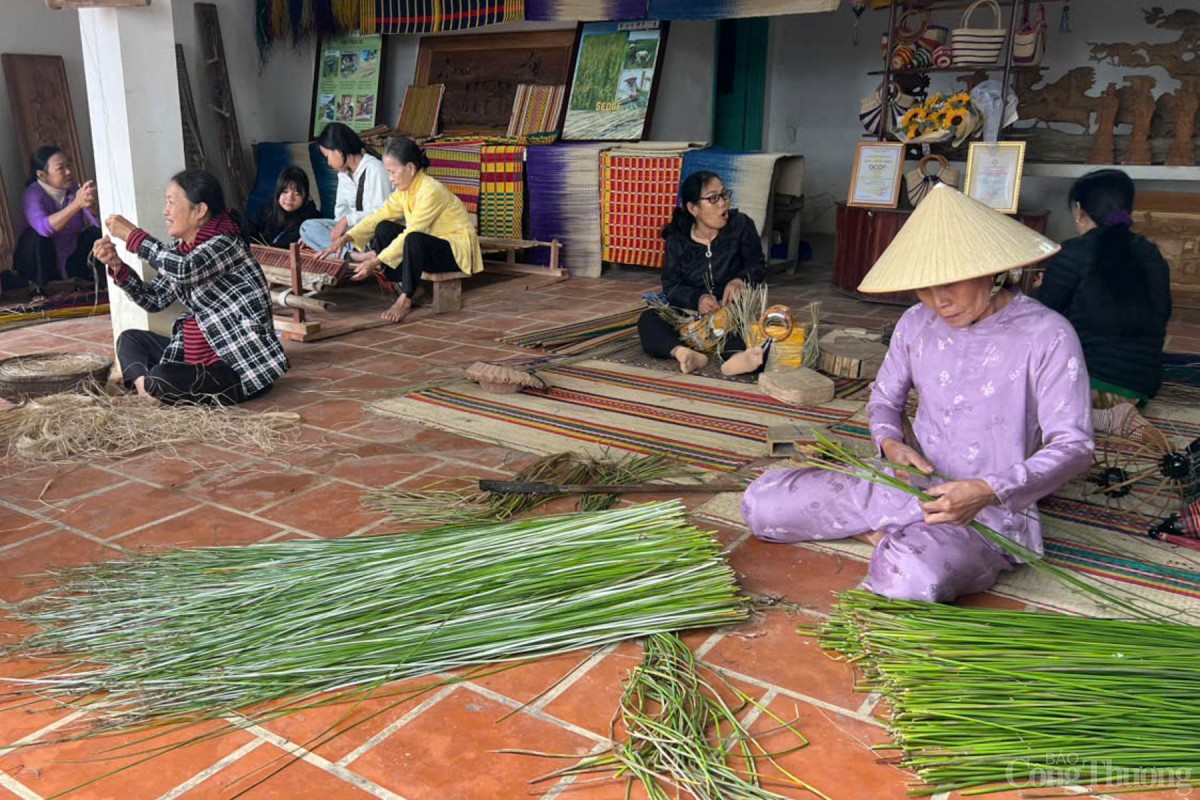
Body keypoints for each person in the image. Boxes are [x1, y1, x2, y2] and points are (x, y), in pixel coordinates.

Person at [742, 184, 1093, 604]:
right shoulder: (915, 323)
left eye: (951, 284)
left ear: (991, 268)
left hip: (986, 511)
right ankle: (888, 530)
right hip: (905, 485)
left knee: (909, 577)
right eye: (924, 288)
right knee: (763, 505)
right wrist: (889, 442)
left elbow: (1075, 445)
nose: (939, 301)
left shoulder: (1047, 335)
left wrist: (986, 489)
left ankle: (899, 541)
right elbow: (884, 400)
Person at [92, 170, 289, 405]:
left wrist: (133, 236)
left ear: (199, 210)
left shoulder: (227, 242)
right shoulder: (181, 247)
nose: (165, 211)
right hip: (193, 355)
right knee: (130, 340)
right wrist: (118, 266)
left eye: (171, 202)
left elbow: (185, 269)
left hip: (235, 364)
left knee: (164, 377)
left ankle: (150, 387)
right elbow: (154, 300)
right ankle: (148, 388)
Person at [1035, 169, 1172, 447]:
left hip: (1089, 387)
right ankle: (1113, 413)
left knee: (1004, 391)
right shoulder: (1150, 253)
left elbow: (1040, 318)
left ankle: (1102, 418)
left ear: (1078, 210)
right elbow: (1162, 314)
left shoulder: (1072, 253)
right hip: (1139, 386)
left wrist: (1039, 288)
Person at [318, 137, 482, 324]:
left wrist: (377, 260)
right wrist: (346, 238)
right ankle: (411, 286)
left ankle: (405, 298)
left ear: (410, 168)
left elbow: (413, 232)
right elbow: (378, 216)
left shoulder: (431, 190)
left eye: (392, 172)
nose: (390, 178)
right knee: (384, 227)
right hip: (429, 246)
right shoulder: (404, 190)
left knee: (413, 238)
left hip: (455, 252)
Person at [637, 171, 766, 375]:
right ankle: (683, 354)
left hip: (730, 315)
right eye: (713, 198)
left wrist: (741, 280)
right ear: (693, 208)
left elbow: (757, 265)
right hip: (690, 319)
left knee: (748, 330)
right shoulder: (677, 238)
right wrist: (697, 298)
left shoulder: (741, 226)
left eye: (724, 195)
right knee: (649, 320)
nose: (723, 203)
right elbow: (671, 285)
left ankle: (735, 360)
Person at [14, 145, 101, 290]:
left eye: (68, 166)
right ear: (42, 175)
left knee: (95, 234)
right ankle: (41, 291)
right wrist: (76, 204)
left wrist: (90, 206)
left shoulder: (72, 189)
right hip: (42, 262)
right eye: (61, 168)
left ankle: (96, 284)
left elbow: (97, 223)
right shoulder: (32, 195)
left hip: (69, 256)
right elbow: (44, 228)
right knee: (36, 238)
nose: (68, 172)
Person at [298, 123, 390, 254]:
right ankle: (350, 256)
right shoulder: (343, 175)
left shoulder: (376, 170)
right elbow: (340, 216)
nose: (328, 163)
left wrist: (348, 220)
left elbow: (383, 215)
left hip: (373, 237)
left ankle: (346, 255)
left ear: (338, 151)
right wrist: (321, 234)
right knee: (307, 228)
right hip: (351, 236)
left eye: (327, 156)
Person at [244, 166, 321, 248]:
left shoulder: (312, 220)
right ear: (278, 193)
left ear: (305, 195)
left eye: (297, 193)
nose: (290, 198)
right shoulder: (266, 209)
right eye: (285, 191)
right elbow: (248, 229)